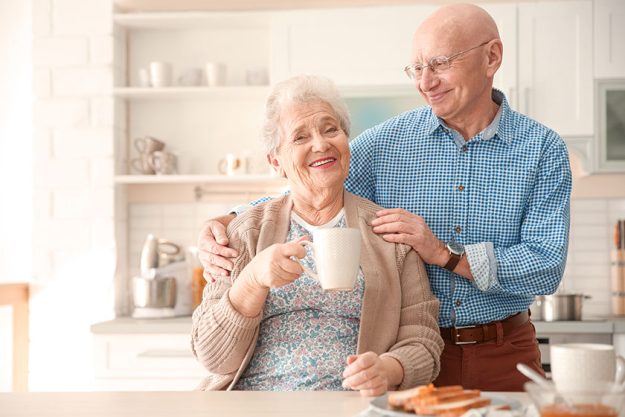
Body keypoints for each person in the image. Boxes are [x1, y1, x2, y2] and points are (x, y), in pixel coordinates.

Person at [198, 3, 572, 391]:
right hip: (415, 357)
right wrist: (228, 221)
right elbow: (312, 183)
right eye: (417, 68)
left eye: (440, 63)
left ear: (491, 56)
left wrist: (445, 254)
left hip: (502, 348)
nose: (426, 82)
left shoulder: (542, 150)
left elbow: (545, 266)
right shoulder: (386, 143)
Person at [190, 75, 443, 395]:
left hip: (350, 406)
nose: (321, 144)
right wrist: (252, 280)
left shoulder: (388, 234)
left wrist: (389, 369)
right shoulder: (244, 234)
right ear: (275, 161)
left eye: (330, 129)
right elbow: (212, 356)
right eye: (300, 137)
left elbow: (423, 342)